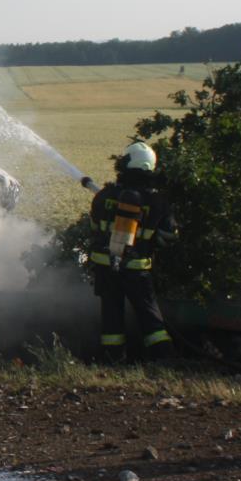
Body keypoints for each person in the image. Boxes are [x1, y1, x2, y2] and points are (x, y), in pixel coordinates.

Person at [87, 141, 178, 361]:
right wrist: (151, 236)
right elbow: (171, 235)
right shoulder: (158, 201)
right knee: (150, 317)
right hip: (137, 270)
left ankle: (113, 359)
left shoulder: (104, 196)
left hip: (106, 267)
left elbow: (94, 227)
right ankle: (163, 358)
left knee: (111, 317)